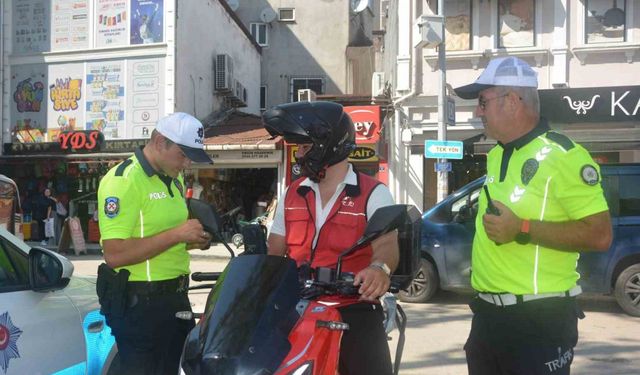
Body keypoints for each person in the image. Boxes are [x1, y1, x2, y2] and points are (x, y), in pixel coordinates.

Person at [454, 56, 613, 375]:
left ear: (512, 101)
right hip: (488, 318)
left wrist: (522, 228)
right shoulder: (497, 153)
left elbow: (600, 234)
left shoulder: (564, 156)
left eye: (483, 102)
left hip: (540, 320)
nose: (477, 112)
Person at [262, 101, 398, 375]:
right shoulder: (292, 193)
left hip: (353, 307)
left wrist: (378, 268)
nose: (299, 154)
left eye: (305, 146)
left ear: (329, 145)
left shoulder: (373, 193)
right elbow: (274, 253)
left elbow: (386, 245)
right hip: (298, 308)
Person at [97, 112, 213, 375]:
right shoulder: (123, 180)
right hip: (140, 306)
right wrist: (177, 235)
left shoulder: (174, 178)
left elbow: (161, 237)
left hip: (175, 298)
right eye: (183, 155)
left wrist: (193, 240)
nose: (185, 165)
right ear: (161, 142)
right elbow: (113, 254)